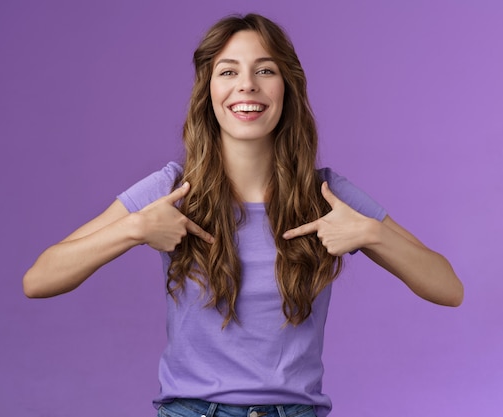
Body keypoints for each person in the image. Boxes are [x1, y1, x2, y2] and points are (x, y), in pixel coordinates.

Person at [23, 13, 463, 417]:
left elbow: (448, 287)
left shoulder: (326, 194)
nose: (247, 85)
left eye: (265, 70)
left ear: (286, 87)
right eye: (228, 71)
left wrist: (371, 234)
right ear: (208, 90)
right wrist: (133, 228)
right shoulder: (171, 189)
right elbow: (38, 279)